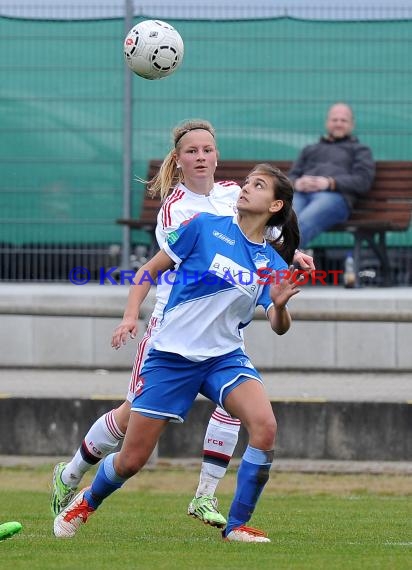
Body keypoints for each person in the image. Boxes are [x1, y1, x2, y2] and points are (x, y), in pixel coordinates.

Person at [51, 119, 313, 528]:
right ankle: (76, 483)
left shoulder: (236, 207)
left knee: (262, 423)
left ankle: (226, 515)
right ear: (180, 159)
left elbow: (274, 290)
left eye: (208, 149)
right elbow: (157, 270)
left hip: (224, 347)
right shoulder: (188, 218)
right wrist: (129, 315)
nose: (203, 157)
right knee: (131, 446)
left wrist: (282, 283)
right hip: (173, 339)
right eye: (193, 151)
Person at [288, 102, 375, 249]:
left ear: (351, 125)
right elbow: (290, 177)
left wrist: (330, 183)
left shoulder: (360, 150)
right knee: (285, 223)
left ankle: (274, 264)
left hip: (335, 198)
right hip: (301, 194)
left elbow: (363, 181)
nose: (338, 124)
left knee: (302, 222)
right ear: (327, 123)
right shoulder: (310, 149)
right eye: (335, 120)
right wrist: (297, 183)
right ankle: (280, 263)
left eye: (343, 120)